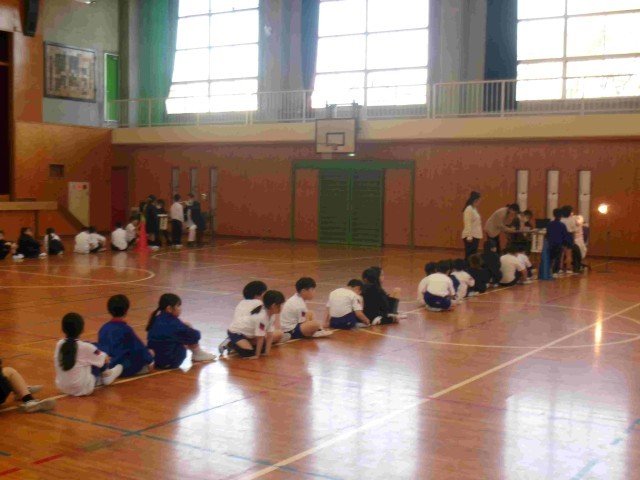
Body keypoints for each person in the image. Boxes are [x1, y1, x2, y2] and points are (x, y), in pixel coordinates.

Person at [54, 313, 124, 396]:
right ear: (82, 329)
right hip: (84, 388)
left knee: (87, 355)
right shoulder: (85, 347)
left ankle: (102, 376)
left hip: (63, 387)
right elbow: (104, 358)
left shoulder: (59, 344)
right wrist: (104, 356)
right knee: (96, 349)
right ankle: (107, 374)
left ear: (63, 329)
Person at [146, 293, 215, 369]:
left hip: (157, 361)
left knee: (179, 336)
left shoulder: (156, 318)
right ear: (169, 309)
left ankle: (196, 353)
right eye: (178, 306)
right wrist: (189, 328)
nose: (180, 309)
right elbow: (195, 335)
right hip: (171, 361)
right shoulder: (173, 322)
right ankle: (197, 353)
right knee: (187, 332)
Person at [98, 295, 154, 377]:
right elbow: (139, 347)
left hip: (107, 364)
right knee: (148, 354)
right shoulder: (126, 329)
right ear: (126, 311)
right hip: (124, 366)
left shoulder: (103, 328)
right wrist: (150, 360)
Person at [225, 290, 286, 359]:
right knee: (249, 353)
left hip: (249, 335)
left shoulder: (271, 316)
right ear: (273, 306)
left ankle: (243, 343)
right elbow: (260, 338)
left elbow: (270, 335)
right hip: (235, 332)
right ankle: (231, 344)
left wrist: (266, 352)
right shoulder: (261, 318)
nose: (281, 308)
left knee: (261, 349)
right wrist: (257, 355)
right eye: (280, 305)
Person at [219, 281, 271, 355]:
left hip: (238, 332)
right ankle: (233, 343)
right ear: (263, 293)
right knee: (275, 335)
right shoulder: (260, 304)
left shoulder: (241, 302)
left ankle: (235, 342)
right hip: (245, 333)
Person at [547, 208, 572, 277]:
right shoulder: (562, 225)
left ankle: (548, 270)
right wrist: (567, 243)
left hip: (551, 243)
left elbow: (548, 234)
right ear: (561, 215)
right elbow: (565, 235)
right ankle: (555, 271)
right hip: (559, 244)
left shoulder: (549, 224)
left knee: (550, 258)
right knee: (558, 258)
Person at [461, 191, 482, 259]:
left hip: (476, 235)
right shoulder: (469, 209)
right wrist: (469, 236)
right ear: (476, 200)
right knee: (469, 256)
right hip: (471, 236)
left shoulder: (474, 208)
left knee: (473, 256)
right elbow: (467, 223)